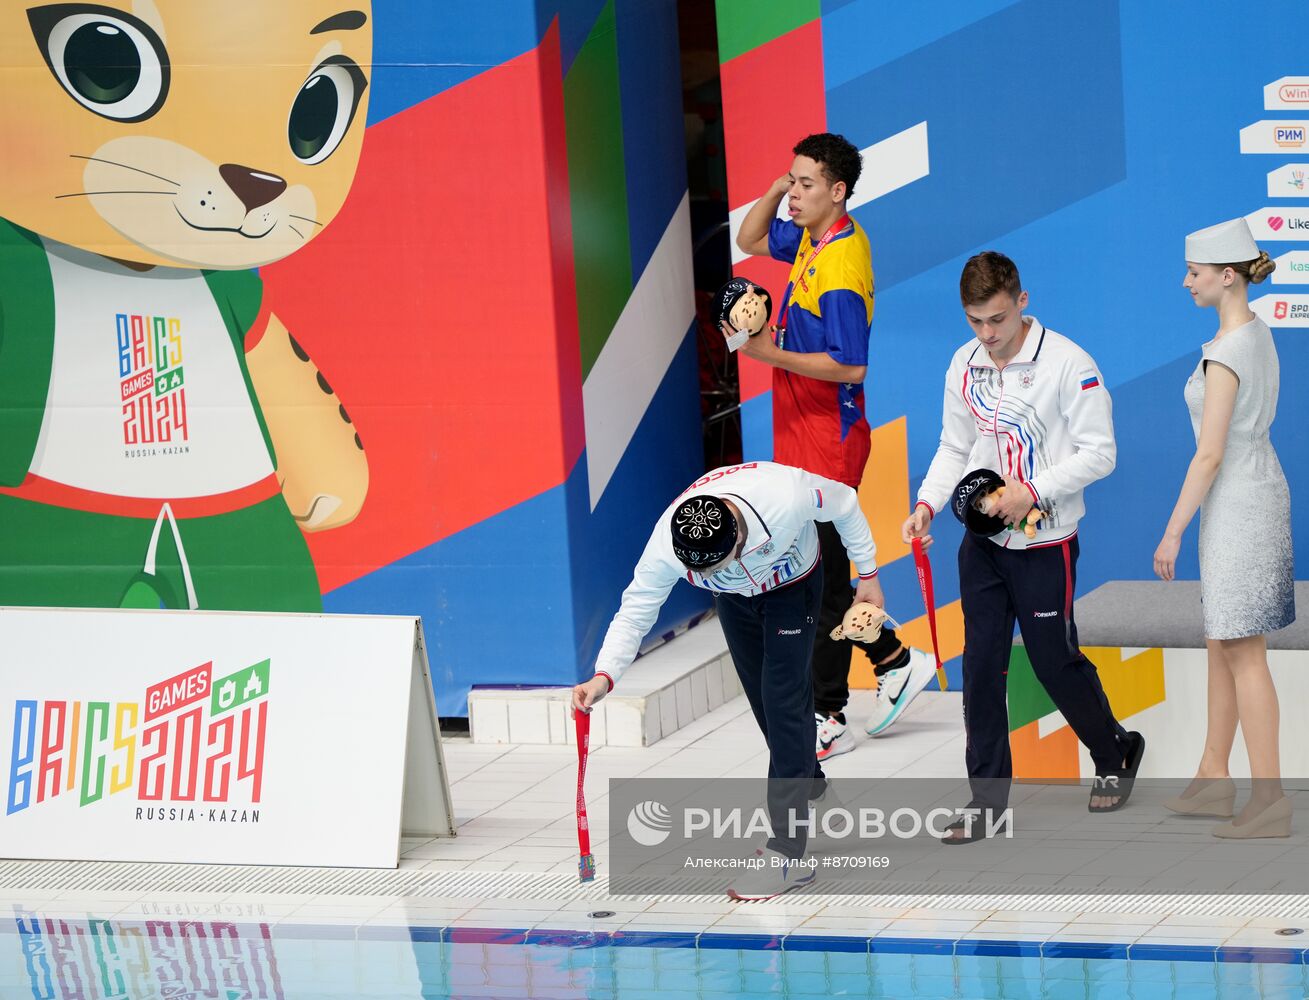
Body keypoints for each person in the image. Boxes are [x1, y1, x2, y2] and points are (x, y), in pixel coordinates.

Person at [901, 251, 1143, 843]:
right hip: (981, 542)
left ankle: (1115, 752)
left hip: (1045, 541)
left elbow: (1100, 453)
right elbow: (954, 448)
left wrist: (1030, 491)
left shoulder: (1068, 363)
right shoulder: (964, 363)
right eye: (976, 322)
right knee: (981, 666)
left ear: (1023, 302)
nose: (988, 336)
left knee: (1051, 660)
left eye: (999, 320)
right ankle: (987, 800)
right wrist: (927, 504)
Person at [571, 460, 886, 899]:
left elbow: (846, 503)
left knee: (784, 701)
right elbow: (638, 606)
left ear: (740, 537)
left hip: (794, 585)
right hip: (736, 601)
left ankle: (787, 856)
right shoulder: (668, 541)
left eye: (717, 567)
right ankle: (810, 784)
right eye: (701, 576)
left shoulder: (785, 497)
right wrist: (605, 675)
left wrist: (868, 576)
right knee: (764, 705)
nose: (707, 578)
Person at [734, 132, 934, 760]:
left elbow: (852, 367)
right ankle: (894, 660)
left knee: (817, 580)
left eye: (806, 185)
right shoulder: (816, 237)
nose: (793, 194)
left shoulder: (843, 264)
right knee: (818, 573)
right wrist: (775, 191)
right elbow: (750, 240)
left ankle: (829, 710)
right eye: (791, 181)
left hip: (829, 437)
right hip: (799, 432)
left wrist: (768, 352)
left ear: (838, 192)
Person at [1154, 218, 1294, 839]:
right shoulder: (1256, 335)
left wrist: (1173, 531)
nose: (1186, 283)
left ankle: (1269, 800)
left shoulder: (1223, 354)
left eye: (1195, 273)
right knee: (1225, 643)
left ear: (1227, 275)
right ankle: (1215, 774)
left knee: (1244, 653)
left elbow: (1208, 455)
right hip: (1257, 491)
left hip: (1236, 505)